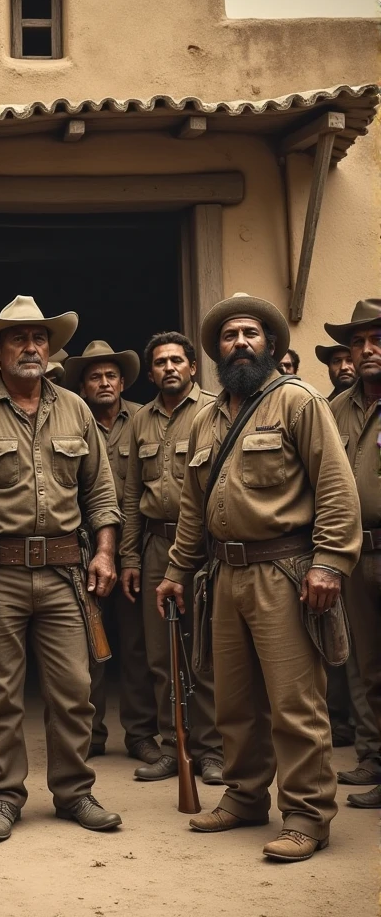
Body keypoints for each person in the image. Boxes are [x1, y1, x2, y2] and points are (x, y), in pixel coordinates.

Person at [157, 293, 361, 862]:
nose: (240, 342)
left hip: (286, 570)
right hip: (224, 573)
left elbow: (336, 488)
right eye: (229, 336)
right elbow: (192, 507)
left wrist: (329, 562)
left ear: (270, 343)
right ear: (216, 350)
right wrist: (177, 570)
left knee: (295, 702)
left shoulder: (297, 402)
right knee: (234, 700)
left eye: (250, 333)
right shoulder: (206, 417)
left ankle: (307, 814)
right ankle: (246, 795)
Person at [0, 295, 123, 842]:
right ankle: (3, 798)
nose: (32, 347)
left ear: (51, 347)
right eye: (19, 338)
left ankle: (75, 792)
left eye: (39, 338)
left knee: (73, 690)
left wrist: (105, 552)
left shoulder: (76, 409)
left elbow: (102, 494)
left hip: (65, 574)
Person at [120, 332, 222, 784]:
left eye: (177, 361)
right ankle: (172, 745)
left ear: (193, 367)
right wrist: (129, 557)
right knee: (161, 655)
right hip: (156, 546)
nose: (169, 368)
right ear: (151, 372)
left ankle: (214, 750)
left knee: (209, 652)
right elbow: (129, 496)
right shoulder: (139, 420)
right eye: (160, 362)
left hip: (205, 547)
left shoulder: (215, 410)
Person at [65, 340, 158, 764]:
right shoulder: (71, 421)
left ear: (122, 381)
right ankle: (91, 733)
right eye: (94, 377)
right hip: (85, 550)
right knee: (88, 645)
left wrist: (131, 555)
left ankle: (140, 734)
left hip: (137, 550)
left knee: (138, 646)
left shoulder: (144, 418)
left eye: (110, 376)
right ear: (83, 386)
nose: (103, 383)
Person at [326, 299, 381, 809]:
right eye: (359, 342)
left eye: (377, 340)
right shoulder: (335, 408)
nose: (367, 350)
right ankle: (373, 757)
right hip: (356, 551)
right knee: (365, 666)